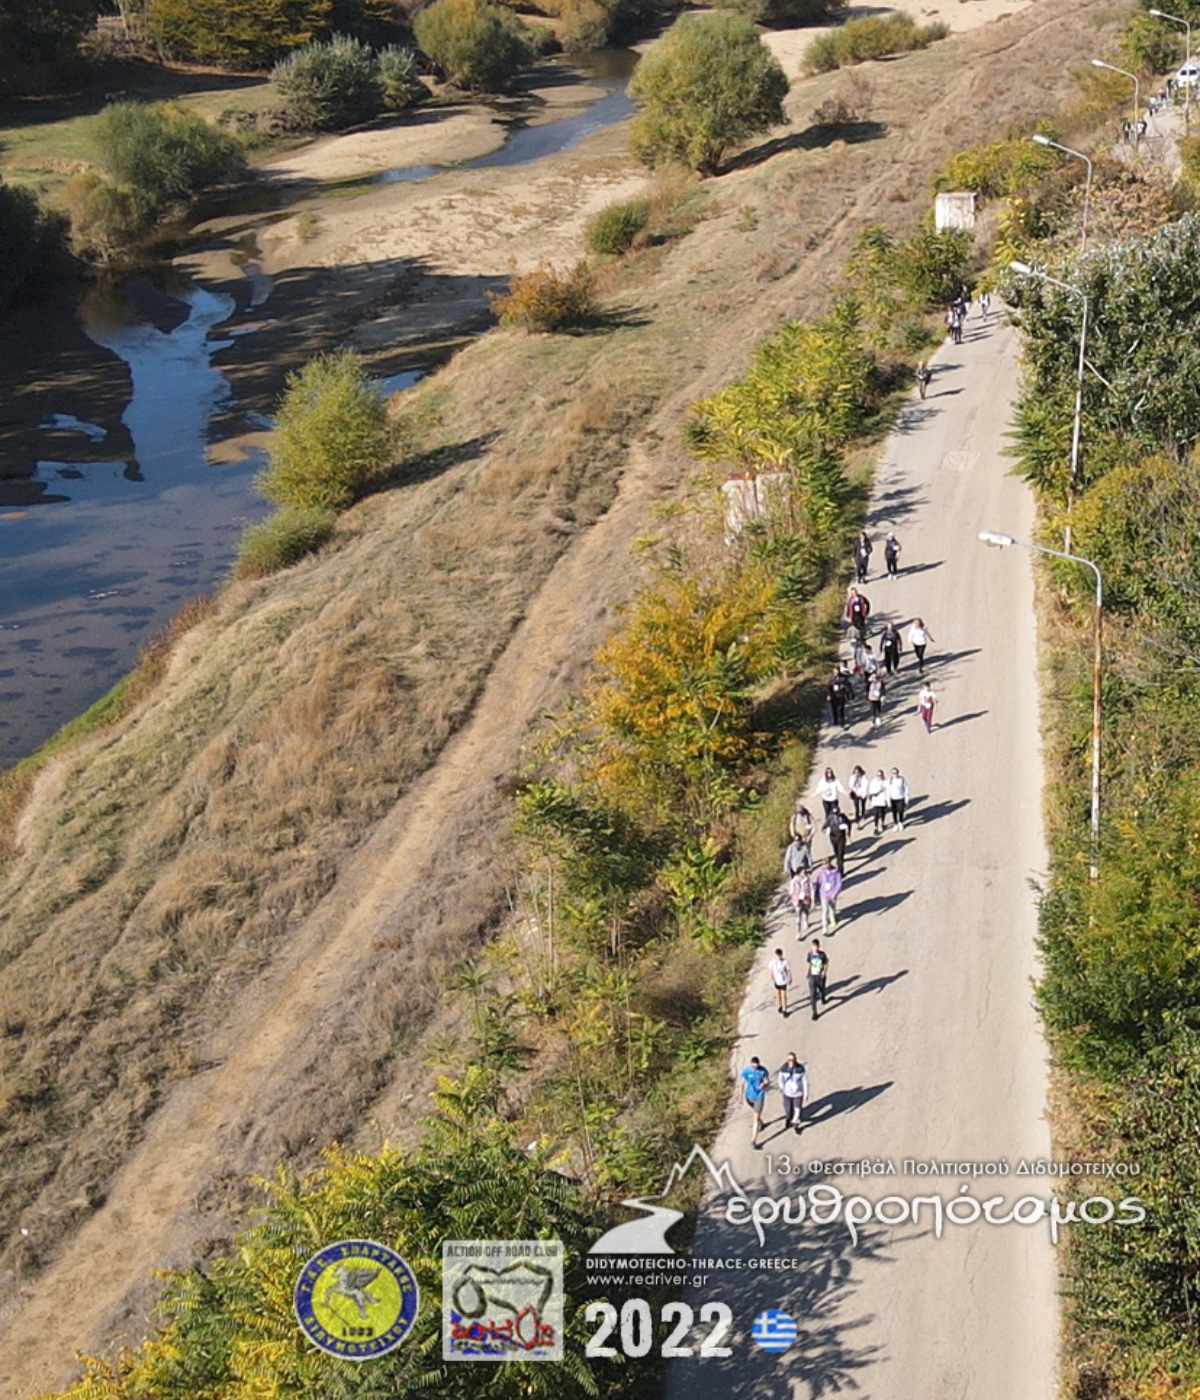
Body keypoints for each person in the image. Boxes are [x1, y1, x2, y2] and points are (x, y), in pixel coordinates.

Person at [741, 1056, 770, 1145]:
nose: (755, 1068)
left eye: (756, 1066)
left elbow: (767, 1081)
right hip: (749, 1096)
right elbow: (742, 1084)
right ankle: (761, 1123)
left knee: (755, 1118)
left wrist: (764, 1084)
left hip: (759, 1096)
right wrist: (740, 1097)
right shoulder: (746, 1071)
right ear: (750, 1064)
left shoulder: (762, 1071)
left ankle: (753, 1141)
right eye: (753, 1067)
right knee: (756, 1115)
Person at [778, 1052, 809, 1132]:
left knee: (797, 1110)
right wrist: (782, 1087)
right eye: (789, 1060)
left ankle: (796, 1125)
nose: (791, 1061)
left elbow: (805, 1082)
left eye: (793, 1059)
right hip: (787, 1093)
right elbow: (780, 1079)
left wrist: (806, 1094)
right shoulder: (784, 1068)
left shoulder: (800, 1069)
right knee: (788, 1110)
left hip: (798, 1094)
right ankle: (788, 1118)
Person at [815, 857, 842, 934]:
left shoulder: (835, 871)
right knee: (825, 911)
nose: (825, 866)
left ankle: (832, 919)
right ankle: (825, 928)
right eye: (823, 864)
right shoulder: (820, 872)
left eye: (827, 863)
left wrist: (835, 893)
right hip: (823, 893)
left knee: (832, 908)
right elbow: (818, 883)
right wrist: (816, 894)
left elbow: (839, 883)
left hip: (832, 893)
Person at [824, 805, 851, 877]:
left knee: (840, 855)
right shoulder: (829, 818)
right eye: (834, 814)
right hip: (833, 838)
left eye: (837, 813)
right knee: (836, 854)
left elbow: (849, 824)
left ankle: (841, 872)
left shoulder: (843, 817)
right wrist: (827, 831)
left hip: (841, 838)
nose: (836, 815)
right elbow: (823, 828)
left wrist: (847, 832)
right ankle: (839, 863)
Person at [805, 940, 829, 1021]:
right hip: (812, 977)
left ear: (819, 946)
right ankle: (814, 1012)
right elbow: (809, 963)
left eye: (816, 946)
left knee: (822, 990)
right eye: (813, 946)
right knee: (813, 995)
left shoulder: (822, 954)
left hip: (820, 977)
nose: (814, 948)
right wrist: (807, 972)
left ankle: (823, 998)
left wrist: (824, 972)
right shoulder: (810, 954)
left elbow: (826, 964)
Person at [789, 867, 814, 937]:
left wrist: (812, 898)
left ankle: (806, 920)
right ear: (799, 873)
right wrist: (792, 893)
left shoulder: (808, 879)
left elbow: (811, 889)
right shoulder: (794, 880)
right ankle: (798, 933)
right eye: (803, 872)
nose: (805, 873)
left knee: (806, 912)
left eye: (805, 872)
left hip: (806, 899)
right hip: (798, 900)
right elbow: (791, 890)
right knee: (798, 918)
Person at [768, 948, 792, 1016]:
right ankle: (780, 1005)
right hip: (776, 981)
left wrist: (790, 977)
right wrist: (771, 980)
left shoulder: (785, 962)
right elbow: (771, 972)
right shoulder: (772, 962)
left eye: (779, 955)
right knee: (778, 994)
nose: (778, 957)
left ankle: (784, 1009)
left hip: (783, 981)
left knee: (783, 995)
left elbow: (788, 970)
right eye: (777, 956)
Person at [868, 768, 889, 834]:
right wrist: (879, 789)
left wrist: (888, 800)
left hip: (883, 801)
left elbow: (888, 792)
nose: (879, 777)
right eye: (878, 775)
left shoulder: (886, 782)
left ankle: (882, 823)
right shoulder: (873, 782)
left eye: (880, 775)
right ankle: (876, 827)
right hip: (876, 801)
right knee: (876, 814)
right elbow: (871, 791)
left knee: (883, 813)